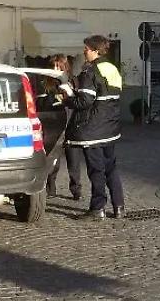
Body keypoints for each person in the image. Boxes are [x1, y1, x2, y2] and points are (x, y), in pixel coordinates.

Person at [60, 35, 125, 220]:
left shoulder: (91, 71)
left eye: (86, 49)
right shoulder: (112, 68)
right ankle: (119, 206)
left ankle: (98, 208)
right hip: (110, 127)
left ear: (95, 50)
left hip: (93, 129)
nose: (84, 51)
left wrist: (68, 98)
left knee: (96, 169)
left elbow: (85, 101)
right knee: (111, 167)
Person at [45, 54, 84, 201]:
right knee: (53, 160)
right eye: (53, 66)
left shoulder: (73, 81)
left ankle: (76, 190)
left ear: (65, 67)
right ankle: (51, 188)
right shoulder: (47, 83)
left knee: (74, 161)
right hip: (54, 126)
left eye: (58, 66)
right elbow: (44, 103)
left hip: (71, 124)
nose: (55, 69)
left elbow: (79, 102)